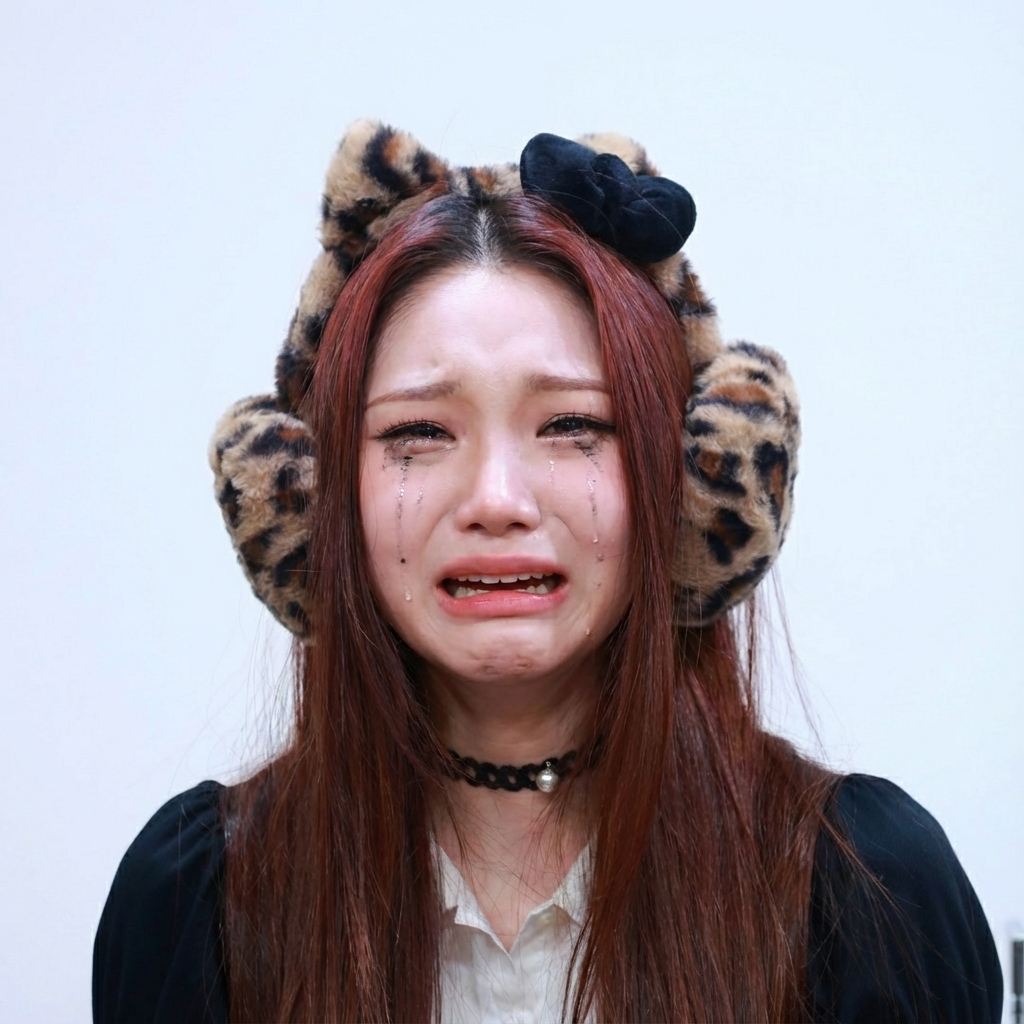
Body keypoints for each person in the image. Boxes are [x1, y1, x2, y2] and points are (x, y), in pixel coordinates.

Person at [92, 121, 1003, 1023]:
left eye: (574, 427)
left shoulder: (866, 892)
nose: (497, 499)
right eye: (419, 433)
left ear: (690, 485)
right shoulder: (197, 906)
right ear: (310, 502)